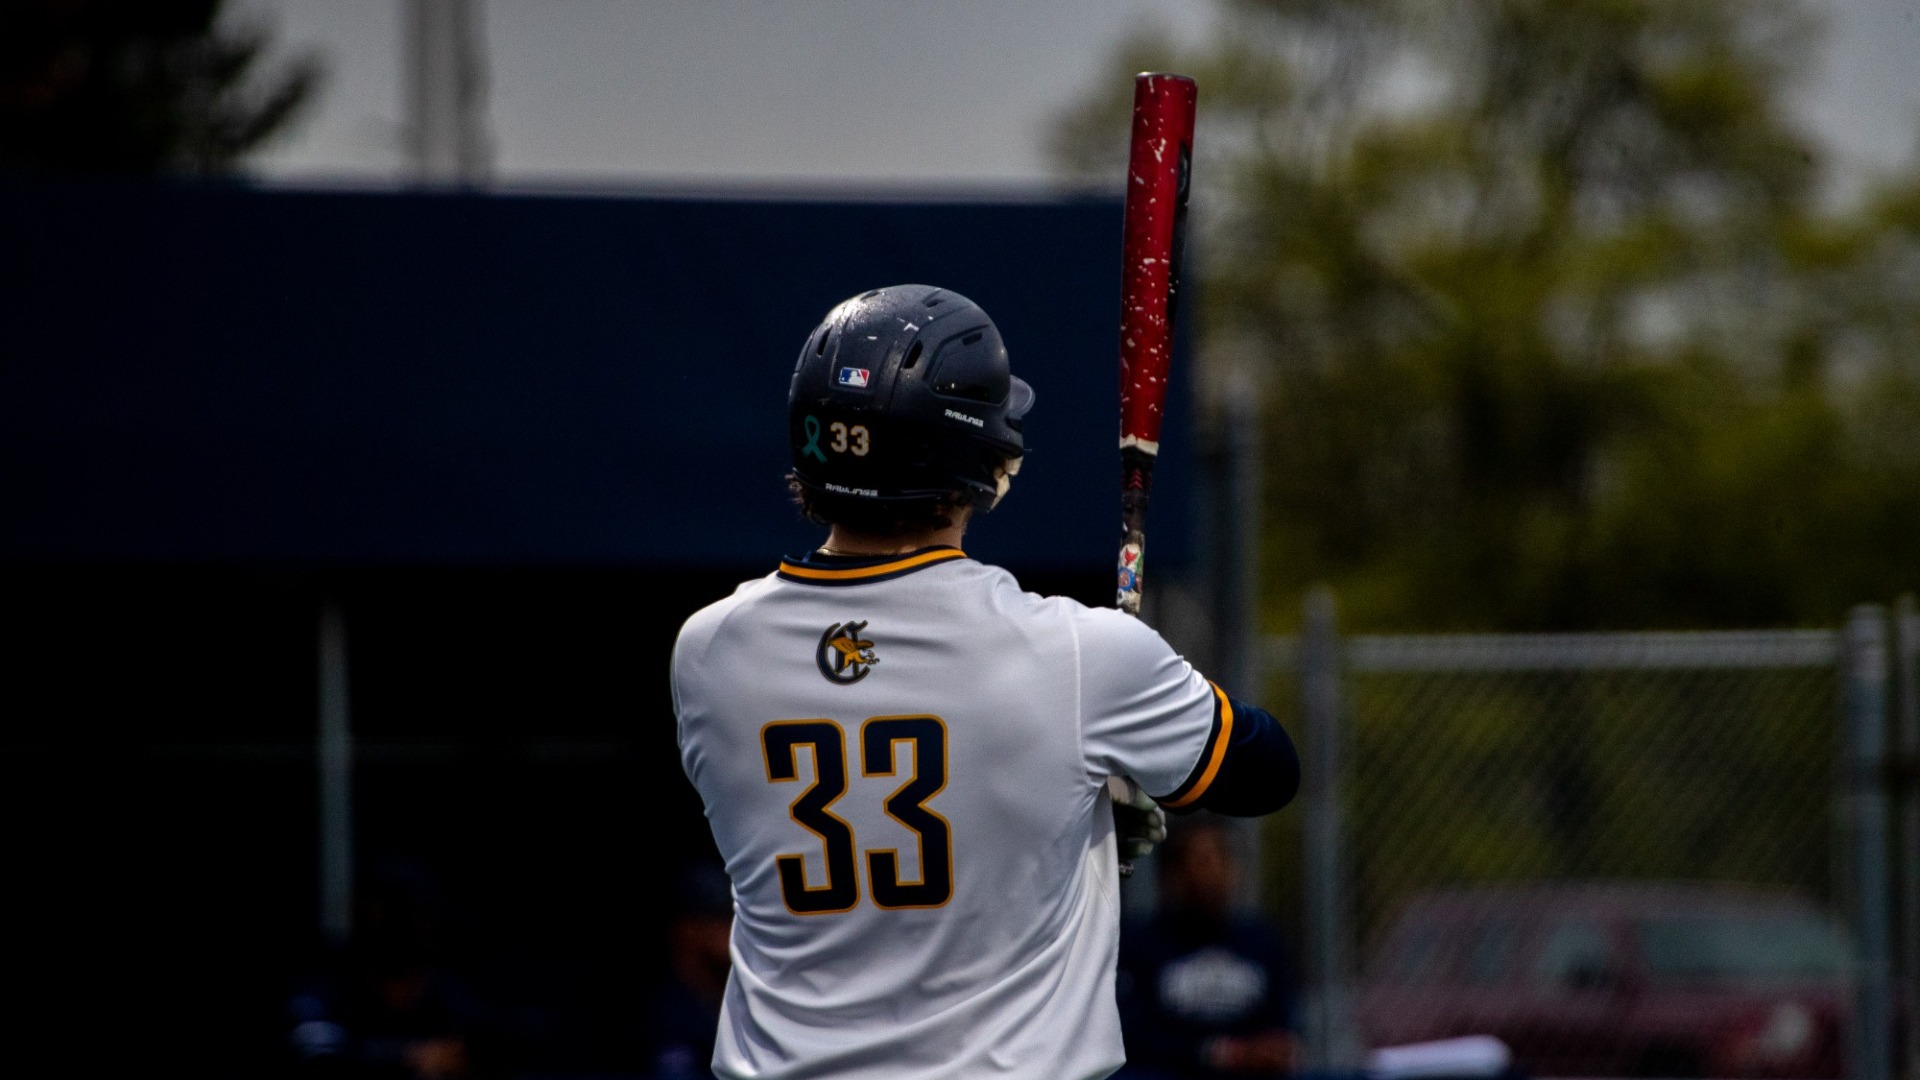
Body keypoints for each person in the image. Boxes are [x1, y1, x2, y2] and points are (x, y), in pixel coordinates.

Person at [671, 284, 1299, 1080]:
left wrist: (1063, 801)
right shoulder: (1080, 654)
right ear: (977, 462)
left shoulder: (708, 652)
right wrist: (1116, 784)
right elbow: (1268, 769)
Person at [1117, 818, 1302, 1080]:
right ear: (1173, 874)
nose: (1214, 873)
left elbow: (1282, 1023)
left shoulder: (1262, 943)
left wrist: (1274, 1049)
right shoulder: (1141, 946)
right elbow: (1134, 1034)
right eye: (1202, 861)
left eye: (1223, 858)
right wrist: (1214, 1053)